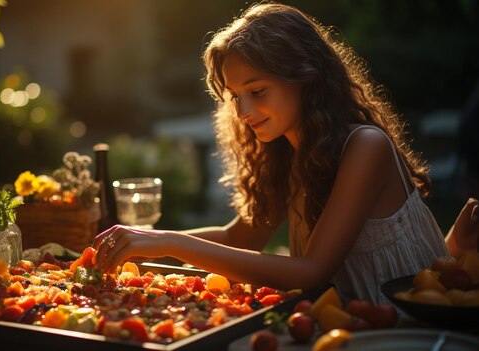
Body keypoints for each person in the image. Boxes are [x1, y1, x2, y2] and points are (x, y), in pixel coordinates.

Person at [92, 2, 473, 304]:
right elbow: (239, 239)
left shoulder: (365, 146)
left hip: (402, 328)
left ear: (306, 78)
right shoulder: (288, 153)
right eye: (235, 97)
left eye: (257, 92)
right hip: (338, 324)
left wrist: (169, 244)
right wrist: (143, 239)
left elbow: (311, 271)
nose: (242, 113)